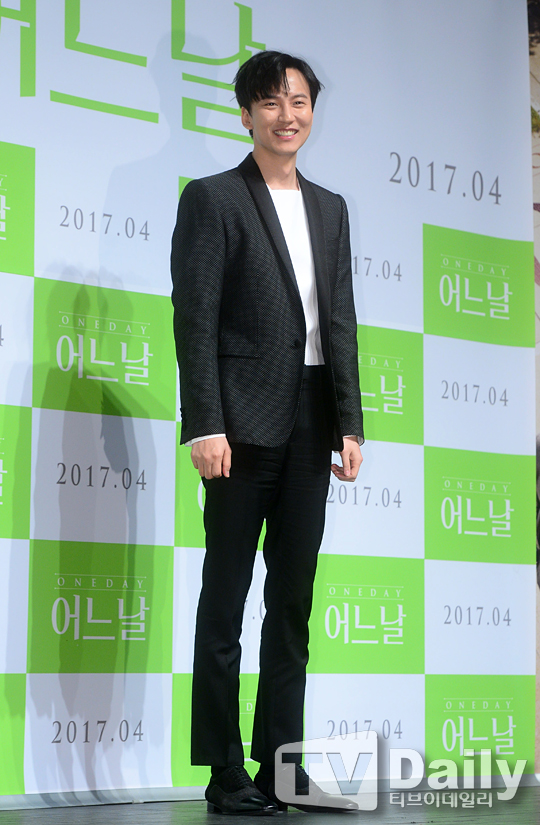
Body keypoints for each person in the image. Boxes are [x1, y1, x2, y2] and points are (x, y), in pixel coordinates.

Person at [171, 50, 364, 815]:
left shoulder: (331, 208)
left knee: (292, 603)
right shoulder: (214, 198)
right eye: (273, 102)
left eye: (300, 101)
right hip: (240, 422)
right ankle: (224, 771)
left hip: (312, 418)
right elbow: (195, 318)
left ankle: (283, 764)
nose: (289, 115)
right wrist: (205, 422)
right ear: (247, 112)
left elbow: (338, 321)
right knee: (225, 600)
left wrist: (349, 421)